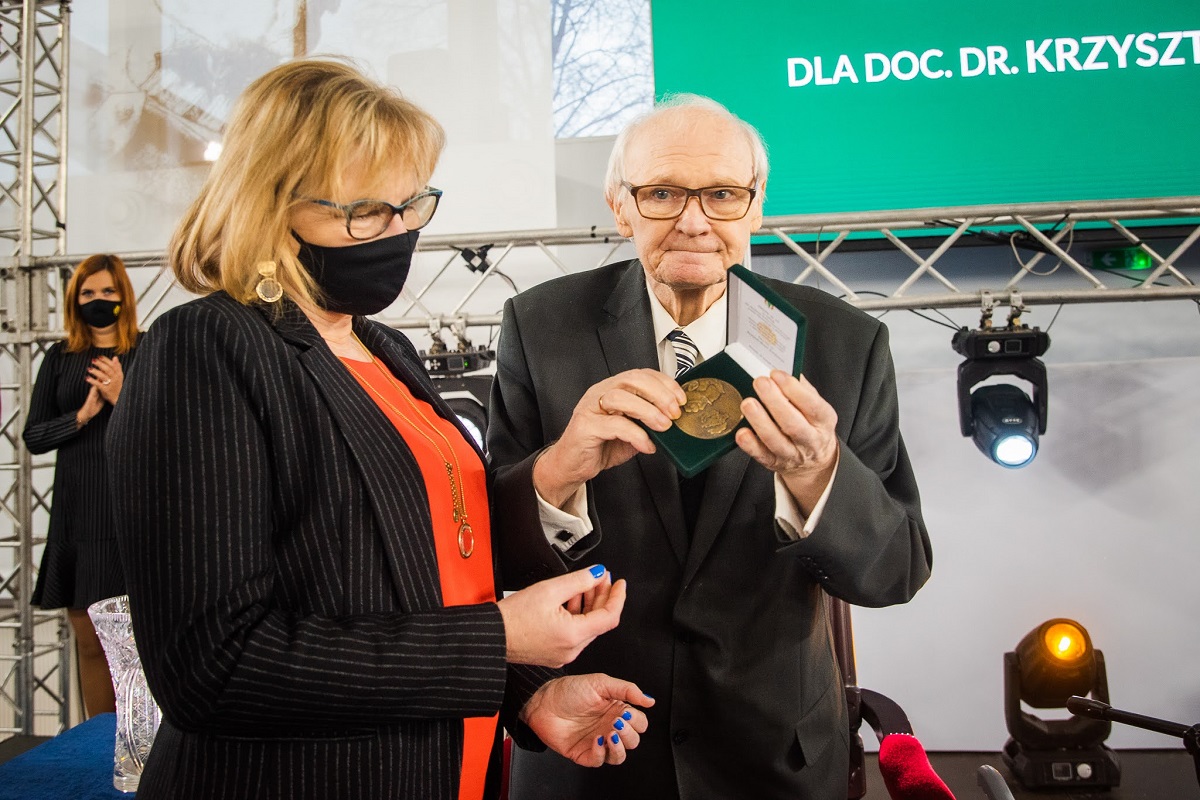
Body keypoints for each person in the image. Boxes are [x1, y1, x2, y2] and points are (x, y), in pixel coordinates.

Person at [105, 59, 652, 800]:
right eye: (365, 211)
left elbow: (424, 574)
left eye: (411, 204)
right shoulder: (206, 348)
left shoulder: (384, 347)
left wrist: (526, 693)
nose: (397, 233)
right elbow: (214, 666)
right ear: (269, 201)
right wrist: (499, 638)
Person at [487, 94, 933, 799]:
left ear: (756, 206)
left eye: (722, 194)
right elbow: (485, 559)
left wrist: (819, 473)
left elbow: (895, 573)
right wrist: (559, 469)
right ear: (620, 204)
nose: (694, 221)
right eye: (662, 193)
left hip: (775, 760)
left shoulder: (847, 343)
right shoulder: (540, 327)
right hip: (591, 748)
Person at [23, 253, 139, 719]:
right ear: (74, 300)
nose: (98, 300)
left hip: (128, 512)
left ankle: (142, 742)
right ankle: (96, 739)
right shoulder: (60, 358)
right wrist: (82, 415)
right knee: (89, 641)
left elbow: (168, 432)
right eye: (88, 293)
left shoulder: (146, 350)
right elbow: (34, 436)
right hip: (76, 515)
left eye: (107, 291)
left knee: (133, 643)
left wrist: (120, 396)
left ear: (123, 296)